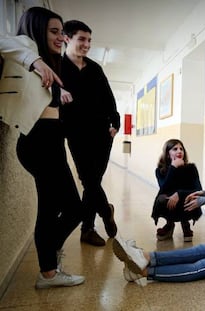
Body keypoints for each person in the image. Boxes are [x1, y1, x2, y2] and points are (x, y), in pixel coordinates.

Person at [0, 7, 84, 289]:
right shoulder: (25, 47)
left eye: (62, 32)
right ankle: (49, 262)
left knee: (50, 210)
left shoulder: (52, 64)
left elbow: (39, 97)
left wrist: (60, 93)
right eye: (54, 31)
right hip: (38, 144)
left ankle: (48, 267)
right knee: (74, 209)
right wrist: (34, 59)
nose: (61, 37)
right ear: (37, 30)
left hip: (51, 143)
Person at [60, 20, 120, 246]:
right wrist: (59, 90)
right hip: (75, 133)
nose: (87, 45)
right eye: (81, 39)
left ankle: (87, 229)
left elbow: (108, 98)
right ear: (67, 38)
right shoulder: (58, 66)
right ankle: (106, 211)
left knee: (92, 181)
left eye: (89, 40)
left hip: (102, 134)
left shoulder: (95, 68)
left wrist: (115, 121)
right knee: (89, 180)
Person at [151, 138, 203, 242]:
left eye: (181, 149)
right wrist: (173, 168)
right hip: (170, 202)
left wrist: (179, 194)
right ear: (167, 154)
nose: (179, 151)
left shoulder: (191, 168)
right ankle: (170, 224)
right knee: (161, 199)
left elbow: (198, 190)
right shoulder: (160, 171)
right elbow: (163, 189)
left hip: (186, 200)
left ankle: (185, 223)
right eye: (175, 149)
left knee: (188, 198)